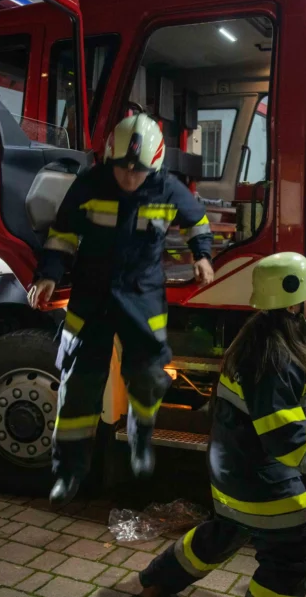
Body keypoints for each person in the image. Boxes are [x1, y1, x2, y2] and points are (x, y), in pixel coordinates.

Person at [139, 252, 306, 597]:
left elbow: (280, 406)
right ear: (291, 305)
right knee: (288, 564)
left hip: (230, 468)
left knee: (224, 533)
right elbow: (288, 443)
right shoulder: (276, 357)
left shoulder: (259, 338)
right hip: (255, 479)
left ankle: (157, 581)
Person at [32, 113, 216, 505]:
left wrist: (202, 255)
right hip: (91, 298)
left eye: (138, 170)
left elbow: (197, 222)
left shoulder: (169, 189)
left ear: (156, 164)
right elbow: (62, 234)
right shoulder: (89, 185)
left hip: (142, 297)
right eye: (122, 168)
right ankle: (68, 472)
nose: (130, 177)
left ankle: (141, 438)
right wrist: (48, 274)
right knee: (78, 388)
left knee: (148, 376)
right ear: (109, 159)